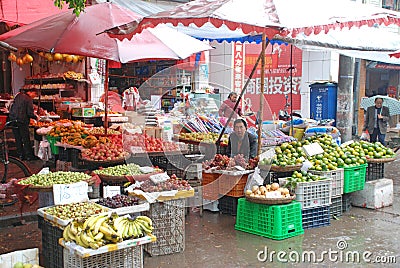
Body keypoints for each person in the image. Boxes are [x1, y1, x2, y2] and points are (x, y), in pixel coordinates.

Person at [8, 89, 38, 160]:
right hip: (22, 120)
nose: (34, 96)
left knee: (18, 138)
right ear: (31, 92)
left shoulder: (18, 96)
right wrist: (36, 117)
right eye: (35, 95)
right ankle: (29, 156)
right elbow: (29, 112)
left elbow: (12, 107)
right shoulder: (28, 99)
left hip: (13, 119)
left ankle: (21, 155)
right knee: (25, 138)